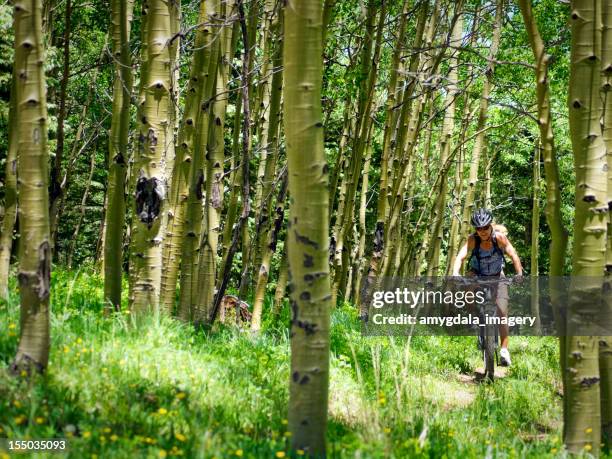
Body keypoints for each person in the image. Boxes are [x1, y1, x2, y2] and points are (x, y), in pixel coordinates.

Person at [451, 208, 524, 367]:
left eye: (485, 227)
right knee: (468, 288)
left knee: (502, 310)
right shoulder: (473, 239)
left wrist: (519, 273)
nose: (482, 231)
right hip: (477, 272)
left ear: (490, 225)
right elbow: (462, 255)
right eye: (478, 228)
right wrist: (455, 272)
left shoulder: (500, 238)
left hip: (497, 275)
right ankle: (475, 320)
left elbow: (513, 254)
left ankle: (504, 350)